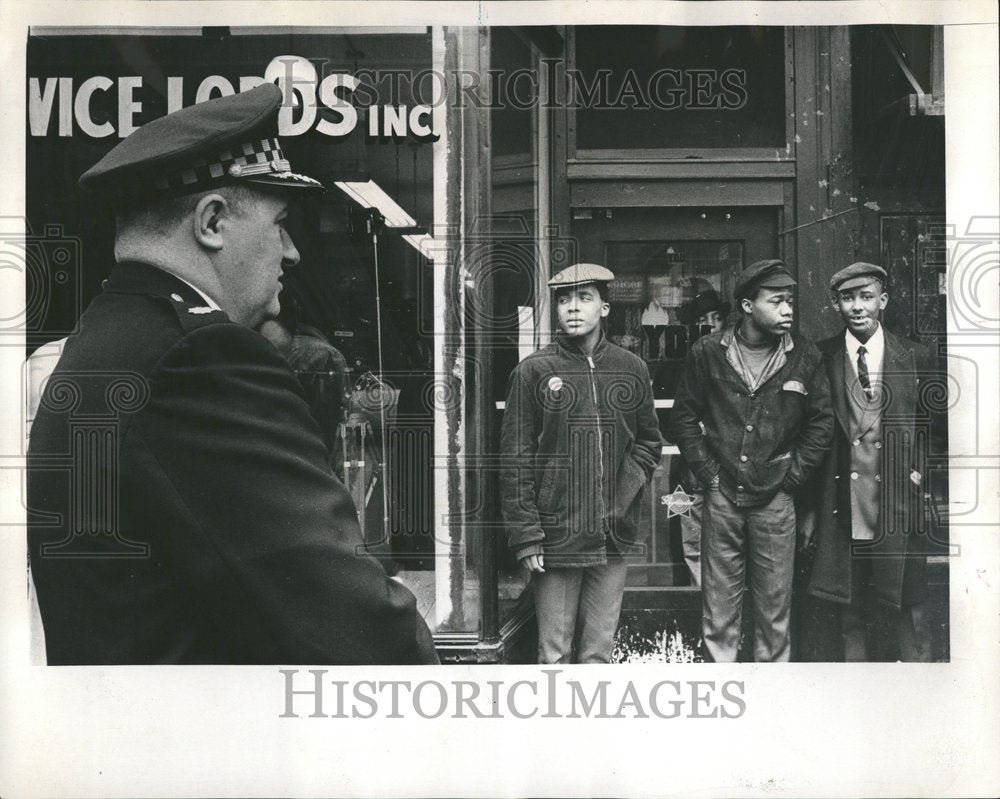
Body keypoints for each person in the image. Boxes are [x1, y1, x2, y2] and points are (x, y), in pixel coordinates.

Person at [26, 83, 438, 665]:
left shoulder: (107, 338)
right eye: (279, 223)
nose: (291, 253)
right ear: (213, 221)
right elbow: (354, 626)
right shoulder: (202, 359)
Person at [668, 259, 833, 662]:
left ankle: (770, 702)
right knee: (719, 609)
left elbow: (822, 423)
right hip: (722, 496)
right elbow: (683, 418)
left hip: (776, 499)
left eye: (789, 301)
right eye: (776, 301)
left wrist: (791, 479)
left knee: (775, 612)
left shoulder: (804, 355)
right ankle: (724, 698)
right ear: (746, 305)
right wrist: (709, 475)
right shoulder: (708, 352)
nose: (788, 310)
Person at [500, 263, 663, 664]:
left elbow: (648, 441)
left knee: (598, 653)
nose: (572, 307)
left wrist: (624, 492)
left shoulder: (631, 368)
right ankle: (556, 728)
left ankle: (593, 729)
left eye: (584, 298)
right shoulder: (534, 371)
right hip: (556, 535)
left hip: (613, 533)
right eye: (564, 299)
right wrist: (526, 534)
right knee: (554, 653)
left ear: (605, 308)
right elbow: (514, 459)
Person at [805, 263, 935, 661]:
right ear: (835, 304)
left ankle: (920, 693)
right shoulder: (820, 356)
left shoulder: (915, 356)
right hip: (844, 505)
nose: (857, 307)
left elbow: (936, 430)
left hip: (899, 503)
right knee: (849, 609)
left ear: (883, 301)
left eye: (865, 297)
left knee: (908, 604)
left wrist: (916, 477)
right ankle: (856, 698)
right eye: (847, 298)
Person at [671, 288, 731, 587]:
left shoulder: (735, 360)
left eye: (717, 318)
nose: (711, 325)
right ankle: (692, 596)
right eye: (704, 319)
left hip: (725, 474)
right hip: (684, 474)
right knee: (686, 538)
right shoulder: (680, 362)